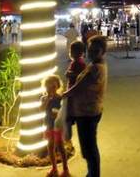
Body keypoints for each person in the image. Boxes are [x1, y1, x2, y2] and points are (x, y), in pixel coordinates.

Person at [63, 36, 108, 177]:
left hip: (88, 113)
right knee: (89, 147)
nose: (92, 53)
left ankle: (93, 174)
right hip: (90, 111)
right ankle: (92, 173)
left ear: (103, 51)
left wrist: (62, 95)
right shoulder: (97, 64)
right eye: (90, 50)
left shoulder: (96, 68)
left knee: (89, 149)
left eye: (96, 50)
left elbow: (79, 87)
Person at [41, 75, 70, 177]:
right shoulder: (44, 98)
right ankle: (54, 168)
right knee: (50, 146)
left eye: (53, 86)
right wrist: (48, 99)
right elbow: (41, 109)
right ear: (45, 87)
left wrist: (58, 113)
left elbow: (64, 110)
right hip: (49, 125)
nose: (51, 89)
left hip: (58, 126)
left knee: (60, 146)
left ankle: (66, 169)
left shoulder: (60, 98)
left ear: (57, 86)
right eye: (49, 86)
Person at [64, 41, 87, 141]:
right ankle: (68, 137)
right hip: (72, 92)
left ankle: (68, 138)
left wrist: (70, 75)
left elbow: (81, 77)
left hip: (74, 94)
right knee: (69, 117)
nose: (70, 53)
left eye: (72, 51)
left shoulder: (80, 63)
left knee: (68, 117)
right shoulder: (75, 62)